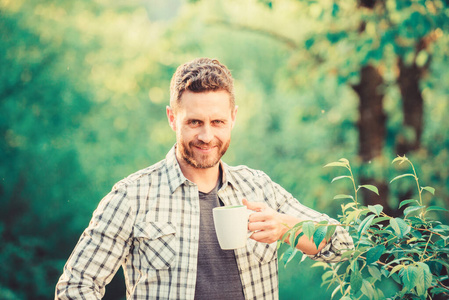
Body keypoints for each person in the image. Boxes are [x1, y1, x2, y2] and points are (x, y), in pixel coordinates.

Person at [55, 57, 353, 299]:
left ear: (233, 118)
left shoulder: (259, 188)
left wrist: (286, 227)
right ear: (172, 118)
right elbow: (75, 288)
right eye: (194, 122)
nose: (206, 136)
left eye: (218, 122)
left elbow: (344, 245)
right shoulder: (132, 196)